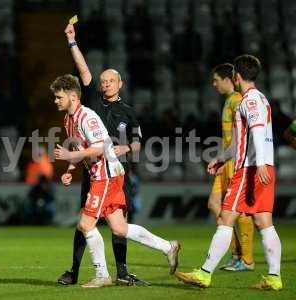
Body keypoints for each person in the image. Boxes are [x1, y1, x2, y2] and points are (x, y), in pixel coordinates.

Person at [51, 74, 180, 288]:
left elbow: (100, 147)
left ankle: (102, 275)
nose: (55, 101)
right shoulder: (68, 119)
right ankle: (169, 247)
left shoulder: (87, 117)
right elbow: (80, 149)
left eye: (58, 97)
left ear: (73, 96)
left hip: (106, 174)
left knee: (85, 224)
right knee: (119, 228)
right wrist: (71, 168)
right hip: (104, 174)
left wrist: (71, 157)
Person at [175, 55, 283, 290]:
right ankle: (274, 277)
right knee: (264, 221)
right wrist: (221, 158)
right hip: (262, 167)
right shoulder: (260, 99)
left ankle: (204, 273)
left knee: (225, 218)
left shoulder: (249, 101)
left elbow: (255, 131)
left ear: (237, 76)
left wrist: (260, 163)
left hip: (251, 170)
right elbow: (238, 142)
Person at [58, 23, 147, 286]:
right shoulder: (93, 101)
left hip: (119, 170)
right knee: (84, 220)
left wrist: (127, 148)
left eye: (111, 81)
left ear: (120, 83)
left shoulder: (129, 112)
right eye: (104, 80)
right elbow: (84, 69)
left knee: (119, 224)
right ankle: (74, 270)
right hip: (93, 169)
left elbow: (139, 144)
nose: (106, 84)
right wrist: (72, 42)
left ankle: (121, 272)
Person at [209, 63, 255, 271]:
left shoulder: (237, 101)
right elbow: (229, 138)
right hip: (227, 161)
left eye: (216, 80)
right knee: (214, 204)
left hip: (237, 162)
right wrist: (221, 158)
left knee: (240, 211)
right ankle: (237, 253)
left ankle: (246, 259)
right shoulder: (229, 101)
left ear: (228, 80)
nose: (213, 84)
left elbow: (242, 137)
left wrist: (227, 159)